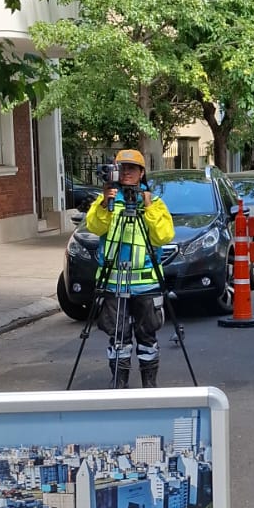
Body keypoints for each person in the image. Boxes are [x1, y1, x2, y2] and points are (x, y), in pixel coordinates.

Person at [84, 151, 174, 388]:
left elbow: (163, 235)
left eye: (132, 168)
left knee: (147, 338)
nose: (126, 172)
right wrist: (105, 203)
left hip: (146, 285)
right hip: (114, 284)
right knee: (117, 339)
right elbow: (94, 226)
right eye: (122, 168)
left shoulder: (154, 203)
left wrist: (147, 207)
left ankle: (149, 386)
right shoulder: (107, 201)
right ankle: (119, 385)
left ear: (142, 173)